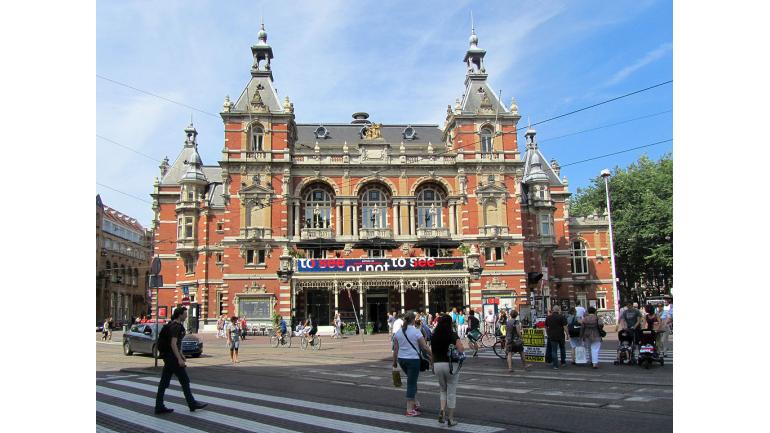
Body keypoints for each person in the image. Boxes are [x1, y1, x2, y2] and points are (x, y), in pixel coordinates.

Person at [154, 306, 207, 414]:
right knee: (184, 380)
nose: (186, 315)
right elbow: (173, 344)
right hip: (172, 358)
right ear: (180, 315)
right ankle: (192, 403)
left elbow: (177, 344)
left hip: (168, 357)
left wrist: (181, 354)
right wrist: (179, 358)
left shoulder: (171, 325)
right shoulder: (176, 327)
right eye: (185, 314)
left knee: (164, 382)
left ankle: (159, 406)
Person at [392, 311, 433, 417]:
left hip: (401, 359)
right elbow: (424, 347)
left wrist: (394, 362)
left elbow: (395, 349)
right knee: (411, 383)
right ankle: (409, 409)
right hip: (413, 360)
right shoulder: (416, 332)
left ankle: (415, 403)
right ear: (413, 320)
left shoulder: (398, 332)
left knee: (412, 381)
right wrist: (432, 356)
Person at [431, 314, 464, 426]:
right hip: (450, 365)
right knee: (451, 391)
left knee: (442, 389)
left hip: (437, 364)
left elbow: (432, 352)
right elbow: (461, 349)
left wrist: (432, 365)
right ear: (450, 323)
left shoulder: (434, 335)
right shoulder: (452, 334)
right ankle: (450, 418)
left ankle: (442, 410)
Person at [545, 305, 569, 370]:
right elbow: (565, 327)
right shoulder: (562, 317)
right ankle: (563, 362)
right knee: (562, 348)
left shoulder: (548, 317)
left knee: (554, 350)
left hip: (552, 336)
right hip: (561, 335)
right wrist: (567, 334)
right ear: (558, 310)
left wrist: (547, 333)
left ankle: (555, 365)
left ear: (553, 310)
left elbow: (546, 327)